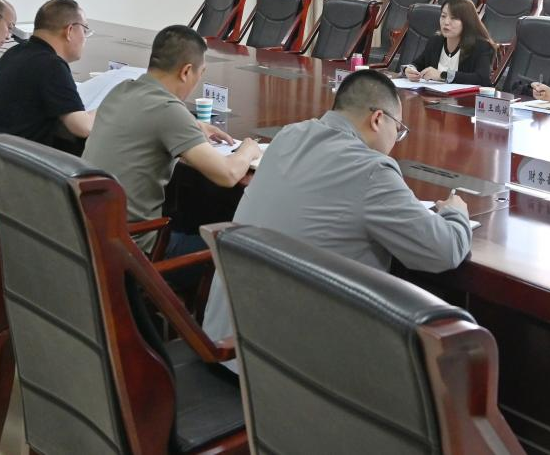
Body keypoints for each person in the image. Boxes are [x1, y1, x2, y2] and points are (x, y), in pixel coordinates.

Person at [202, 69, 472, 350]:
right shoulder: (371, 171)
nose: (396, 140)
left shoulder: (287, 135)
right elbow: (444, 250)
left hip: (220, 344)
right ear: (378, 119)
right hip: (283, 364)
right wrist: (455, 213)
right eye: (398, 130)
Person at [84, 25, 261, 258]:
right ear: (186, 71)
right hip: (134, 252)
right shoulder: (168, 111)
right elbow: (227, 175)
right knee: (239, 251)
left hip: (91, 238)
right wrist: (248, 149)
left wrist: (192, 124)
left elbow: (148, 119)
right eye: (200, 73)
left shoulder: (122, 90)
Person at [0, 0, 92, 155]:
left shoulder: (15, 52)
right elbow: (83, 127)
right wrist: (108, 107)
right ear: (70, 30)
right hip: (12, 162)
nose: (85, 38)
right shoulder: (51, 64)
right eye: (85, 30)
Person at [402, 0, 497, 86]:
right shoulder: (436, 41)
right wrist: (408, 69)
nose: (446, 22)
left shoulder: (481, 46)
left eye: (454, 18)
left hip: (465, 97)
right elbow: (417, 64)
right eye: (443, 16)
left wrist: (442, 75)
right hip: (435, 95)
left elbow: (482, 79)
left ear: (467, 22)